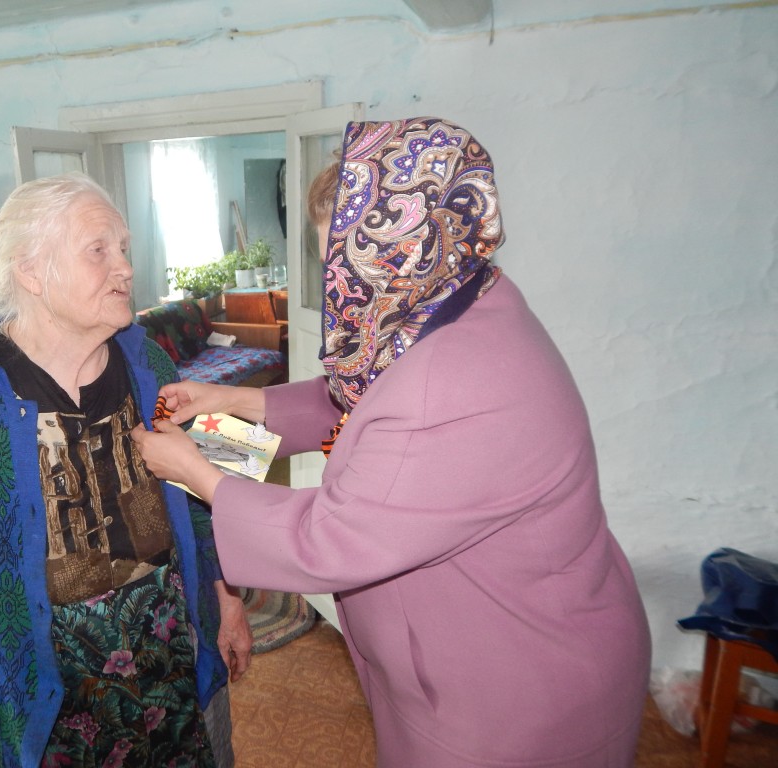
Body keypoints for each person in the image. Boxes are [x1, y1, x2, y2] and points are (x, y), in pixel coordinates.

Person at [132, 118, 652, 767]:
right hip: (480, 647)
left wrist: (195, 470)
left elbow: (327, 540)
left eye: (345, 262)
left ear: (402, 247)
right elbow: (360, 403)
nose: (337, 284)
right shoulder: (451, 302)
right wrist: (230, 405)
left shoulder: (453, 381)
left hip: (512, 690)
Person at [0, 172, 252, 768]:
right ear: (31, 271)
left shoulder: (148, 360)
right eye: (98, 250)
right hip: (45, 719)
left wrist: (229, 600)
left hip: (174, 680)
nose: (125, 267)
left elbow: (215, 489)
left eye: (123, 248)